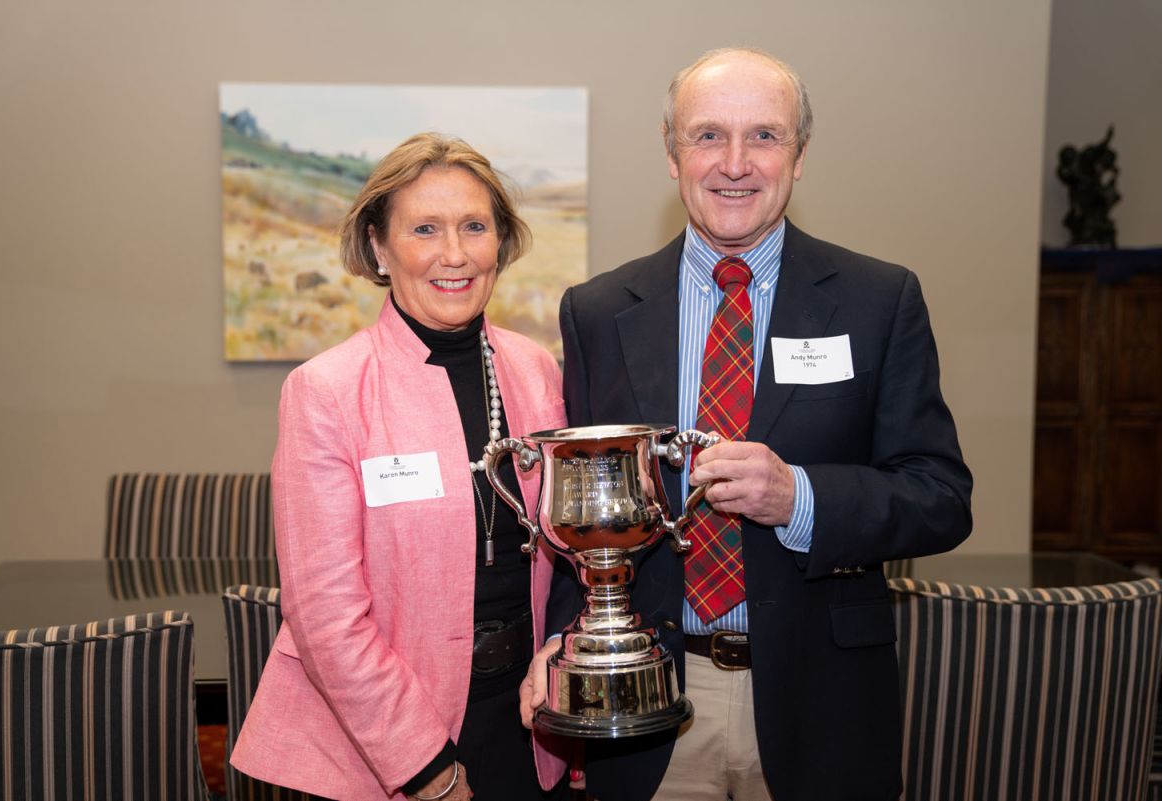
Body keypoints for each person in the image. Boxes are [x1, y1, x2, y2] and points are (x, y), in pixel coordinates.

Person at [522, 48, 973, 801]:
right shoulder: (598, 312)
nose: (735, 163)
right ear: (673, 153)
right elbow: (583, 517)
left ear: (800, 155)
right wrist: (565, 643)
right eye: (708, 135)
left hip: (822, 705)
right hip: (650, 703)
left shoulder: (879, 300)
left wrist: (799, 498)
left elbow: (941, 497)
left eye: (764, 135)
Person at [232, 132, 569, 801]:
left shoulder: (535, 369)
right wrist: (427, 770)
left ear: (500, 241)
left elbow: (567, 545)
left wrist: (563, 644)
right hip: (389, 748)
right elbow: (324, 614)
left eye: (475, 226)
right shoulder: (327, 391)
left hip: (530, 724)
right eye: (424, 229)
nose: (454, 253)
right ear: (380, 248)